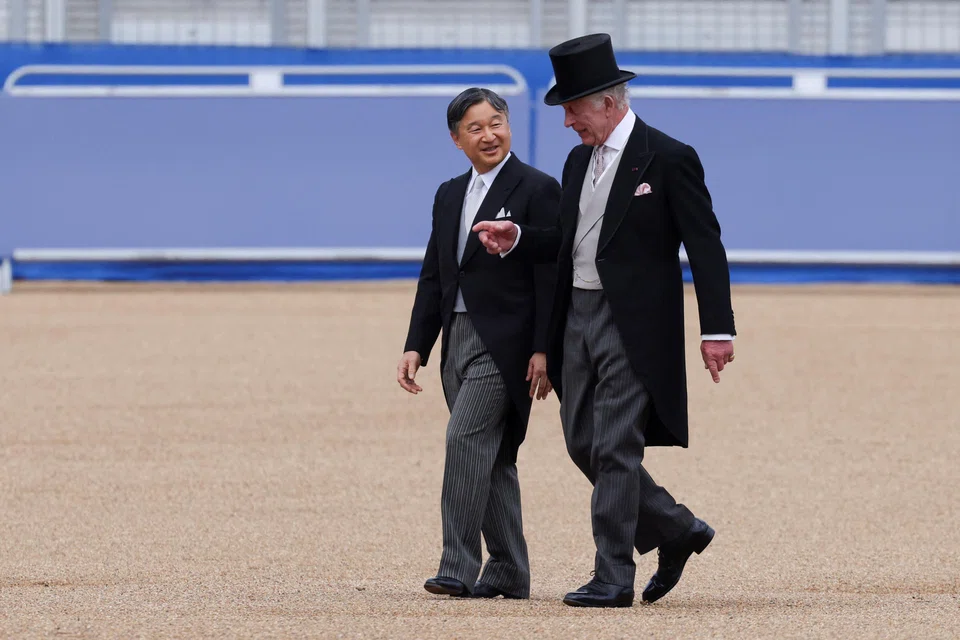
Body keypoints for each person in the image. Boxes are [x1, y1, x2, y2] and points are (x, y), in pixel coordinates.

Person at [473, 34, 737, 608]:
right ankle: (676, 527)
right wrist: (519, 237)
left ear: (608, 102)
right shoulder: (577, 160)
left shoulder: (668, 157)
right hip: (577, 317)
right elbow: (570, 243)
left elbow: (706, 246)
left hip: (633, 323)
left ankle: (612, 574)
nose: (567, 122)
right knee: (582, 442)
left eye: (573, 108)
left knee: (616, 446)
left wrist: (717, 328)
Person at [397, 87, 562, 600]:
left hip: (507, 344)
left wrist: (544, 348)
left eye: (496, 122)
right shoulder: (449, 194)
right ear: (456, 139)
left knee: (464, 439)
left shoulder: (538, 188)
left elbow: (550, 275)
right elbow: (434, 274)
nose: (489, 134)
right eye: (476, 128)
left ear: (509, 125)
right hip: (457, 341)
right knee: (490, 458)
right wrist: (416, 345)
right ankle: (510, 570)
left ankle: (457, 564)